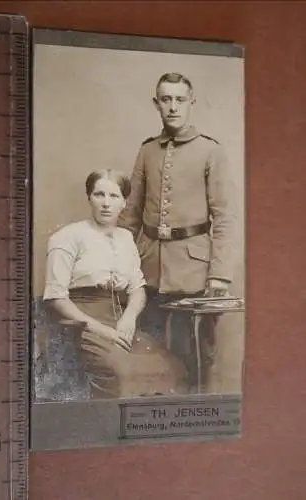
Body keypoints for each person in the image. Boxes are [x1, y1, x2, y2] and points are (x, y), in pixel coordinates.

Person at [118, 72, 238, 392]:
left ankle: (196, 412)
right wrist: (119, 263)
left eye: (180, 100)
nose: (173, 107)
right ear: (156, 103)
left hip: (195, 271)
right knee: (149, 347)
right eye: (166, 99)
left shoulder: (211, 151)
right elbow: (130, 213)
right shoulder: (147, 151)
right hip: (150, 267)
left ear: (192, 103)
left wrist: (220, 275)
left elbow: (225, 218)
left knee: (196, 351)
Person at [42, 168, 188, 400]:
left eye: (114, 196)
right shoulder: (67, 237)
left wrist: (129, 318)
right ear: (89, 197)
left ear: (124, 203)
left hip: (121, 325)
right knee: (120, 372)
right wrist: (103, 331)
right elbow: (56, 297)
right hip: (84, 326)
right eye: (99, 195)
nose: (106, 203)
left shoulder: (125, 238)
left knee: (172, 369)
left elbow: (137, 289)